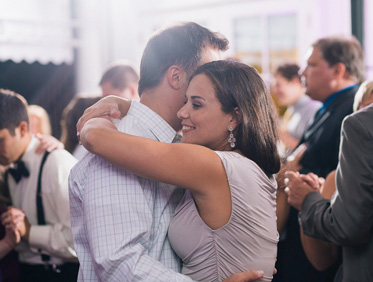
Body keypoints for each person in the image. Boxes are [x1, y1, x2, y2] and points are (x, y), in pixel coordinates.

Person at [69, 22, 262, 282]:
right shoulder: (118, 149)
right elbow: (119, 264)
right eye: (208, 71)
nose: (217, 82)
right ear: (176, 77)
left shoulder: (180, 146)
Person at [285, 11, 373, 281]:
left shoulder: (361, 121)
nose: (302, 72)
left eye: (311, 65)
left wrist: (309, 200)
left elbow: (349, 226)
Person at [273, 35, 364, 282]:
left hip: (323, 239)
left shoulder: (353, 110)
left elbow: (347, 174)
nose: (303, 71)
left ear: (338, 70)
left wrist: (295, 170)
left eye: (311, 65)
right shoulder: (328, 106)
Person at [0, 89, 79, 281]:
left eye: (0, 140)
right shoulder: (10, 166)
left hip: (57, 275)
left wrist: (30, 233)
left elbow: (78, 240)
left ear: (23, 129)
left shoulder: (56, 163)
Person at [272, 63, 321, 154]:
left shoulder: (314, 109)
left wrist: (279, 133)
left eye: (278, 85)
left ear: (295, 81)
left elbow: (312, 152)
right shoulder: (291, 109)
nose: (275, 91)